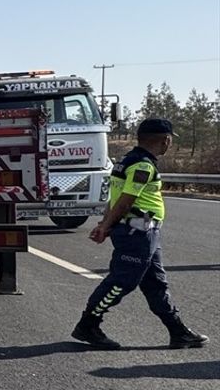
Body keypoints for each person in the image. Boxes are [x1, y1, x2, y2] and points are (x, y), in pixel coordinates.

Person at [71, 118, 208, 350]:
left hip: (143, 232)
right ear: (164, 140)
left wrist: (105, 223)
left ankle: (178, 331)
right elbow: (126, 200)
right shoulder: (143, 166)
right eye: (169, 140)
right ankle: (88, 323)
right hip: (137, 233)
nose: (169, 144)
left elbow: (114, 198)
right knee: (121, 282)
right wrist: (105, 225)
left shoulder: (126, 161)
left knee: (155, 283)